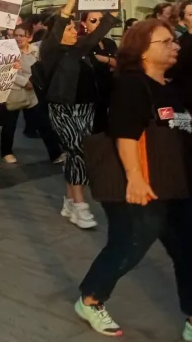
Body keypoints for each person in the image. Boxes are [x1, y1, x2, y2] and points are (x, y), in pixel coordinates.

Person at [75, 19, 192, 339]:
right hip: (143, 183)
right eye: (166, 42)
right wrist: (135, 178)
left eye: (175, 41)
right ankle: (90, 298)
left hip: (175, 183)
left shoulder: (169, 86)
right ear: (142, 50)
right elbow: (125, 135)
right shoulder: (132, 85)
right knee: (130, 244)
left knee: (187, 249)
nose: (175, 46)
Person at [40, 0, 120, 229]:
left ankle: (68, 201)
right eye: (69, 29)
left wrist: (113, 11)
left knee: (77, 155)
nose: (75, 31)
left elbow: (98, 34)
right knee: (78, 151)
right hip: (62, 110)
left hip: (86, 109)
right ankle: (80, 205)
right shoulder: (51, 52)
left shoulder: (80, 50)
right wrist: (70, 3)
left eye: (75, 28)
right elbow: (58, 28)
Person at [0, 23, 62, 163]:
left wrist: (34, 82)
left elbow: (42, 68)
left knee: (43, 123)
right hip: (14, 92)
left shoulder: (36, 50)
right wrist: (24, 82)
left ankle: (56, 154)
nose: (18, 38)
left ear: (30, 37)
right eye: (15, 35)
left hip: (33, 92)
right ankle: (6, 152)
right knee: (10, 124)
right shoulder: (8, 52)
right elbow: (6, 72)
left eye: (22, 35)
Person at [80, 11, 118, 134]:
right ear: (84, 23)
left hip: (111, 88)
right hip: (93, 91)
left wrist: (104, 59)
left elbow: (118, 63)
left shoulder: (110, 43)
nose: (98, 23)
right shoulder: (82, 44)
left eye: (101, 20)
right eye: (93, 20)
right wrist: (109, 61)